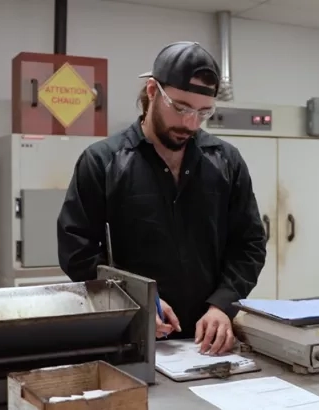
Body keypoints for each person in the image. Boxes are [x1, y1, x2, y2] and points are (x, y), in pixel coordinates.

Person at [57, 41, 266, 355]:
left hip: (208, 340)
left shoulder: (226, 162)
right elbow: (77, 252)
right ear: (153, 91)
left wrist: (222, 304)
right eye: (181, 108)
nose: (190, 123)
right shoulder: (103, 162)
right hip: (129, 336)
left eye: (203, 112)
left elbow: (249, 244)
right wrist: (136, 300)